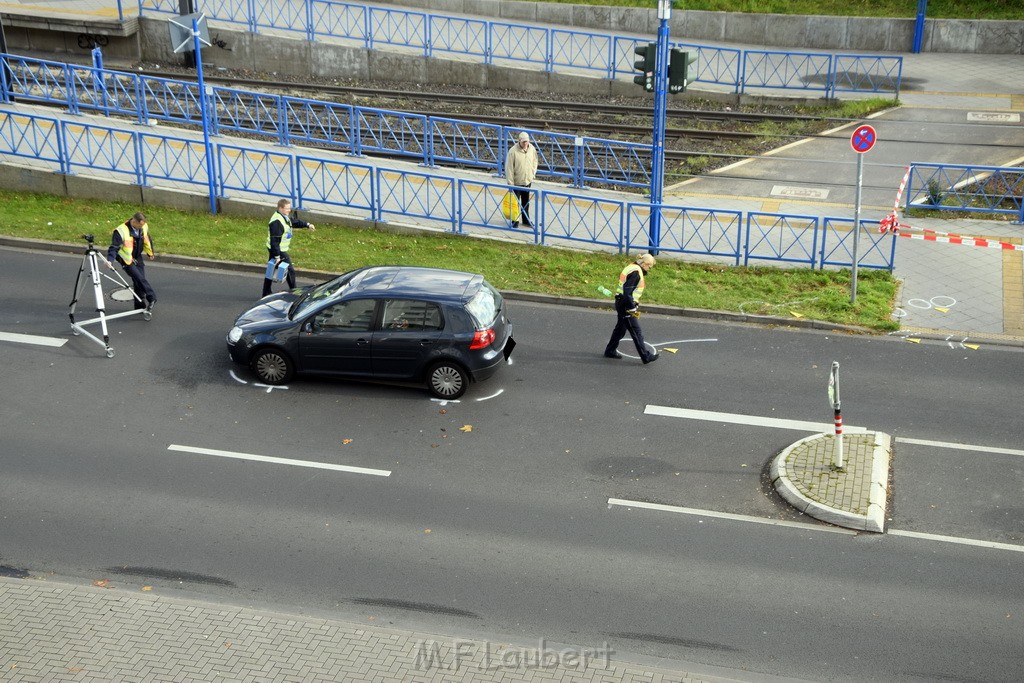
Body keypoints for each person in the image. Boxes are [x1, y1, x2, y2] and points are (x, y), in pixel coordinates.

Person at [604, 254, 658, 364]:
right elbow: (627, 292)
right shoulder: (636, 273)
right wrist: (632, 308)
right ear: (645, 264)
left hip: (620, 302)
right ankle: (645, 356)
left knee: (620, 328)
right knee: (636, 331)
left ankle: (610, 350)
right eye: (650, 267)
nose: (649, 269)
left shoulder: (631, 266)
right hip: (626, 305)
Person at [263, 198, 315, 297]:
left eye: (289, 208)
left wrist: (307, 225)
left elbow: (293, 222)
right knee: (290, 271)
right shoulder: (277, 222)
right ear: (280, 208)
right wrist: (277, 256)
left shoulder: (283, 217)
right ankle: (294, 293)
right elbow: (275, 241)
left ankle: (266, 292)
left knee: (271, 270)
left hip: (276, 249)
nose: (289, 210)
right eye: (287, 208)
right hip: (279, 250)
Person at [106, 211, 156, 312]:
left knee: (139, 281)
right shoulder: (121, 231)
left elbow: (147, 239)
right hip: (126, 259)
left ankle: (139, 306)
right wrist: (110, 260)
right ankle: (152, 297)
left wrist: (150, 253)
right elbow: (114, 247)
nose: (141, 227)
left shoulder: (143, 226)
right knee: (139, 278)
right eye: (140, 225)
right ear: (134, 221)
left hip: (137, 256)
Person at [504, 131, 539, 229]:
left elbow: (535, 160)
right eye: (523, 142)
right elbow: (509, 168)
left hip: (527, 180)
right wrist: (510, 183)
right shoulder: (513, 151)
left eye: (527, 142)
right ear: (519, 141)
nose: (525, 144)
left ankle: (526, 219)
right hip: (516, 182)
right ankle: (515, 221)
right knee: (515, 203)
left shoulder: (531, 149)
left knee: (526, 201)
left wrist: (533, 173)